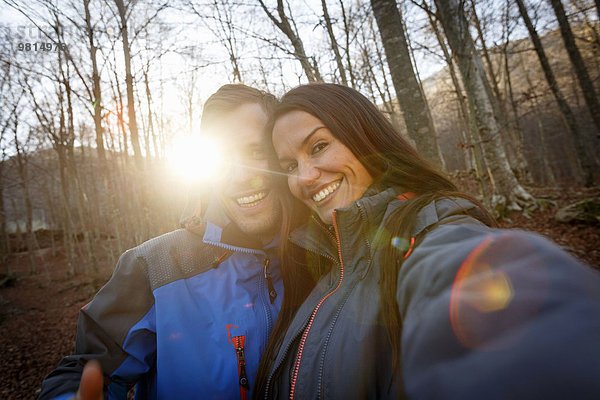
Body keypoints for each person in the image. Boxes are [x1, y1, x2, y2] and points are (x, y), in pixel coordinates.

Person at [253, 83, 600, 399]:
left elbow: (482, 283)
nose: (305, 178)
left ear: (364, 136)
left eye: (318, 146)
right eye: (288, 166)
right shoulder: (318, 270)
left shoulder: (429, 231)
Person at [39, 84, 291, 399]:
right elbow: (84, 371)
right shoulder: (156, 264)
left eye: (257, 152)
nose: (240, 175)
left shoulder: (322, 258)